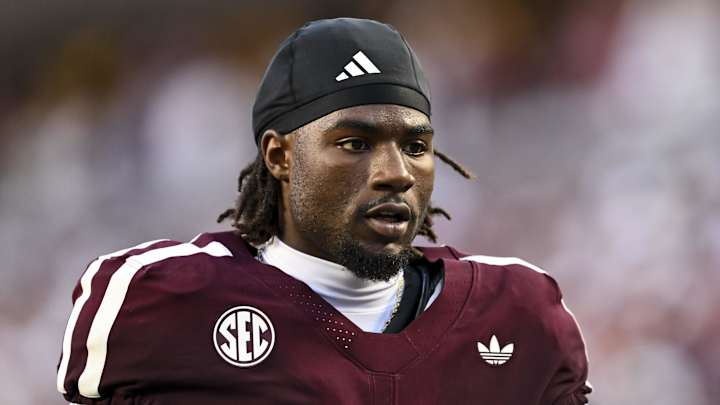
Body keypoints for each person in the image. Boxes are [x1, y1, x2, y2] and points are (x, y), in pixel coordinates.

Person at [56, 17, 591, 405]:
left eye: (415, 146)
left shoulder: (519, 316)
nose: (396, 173)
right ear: (280, 156)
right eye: (355, 143)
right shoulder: (162, 304)